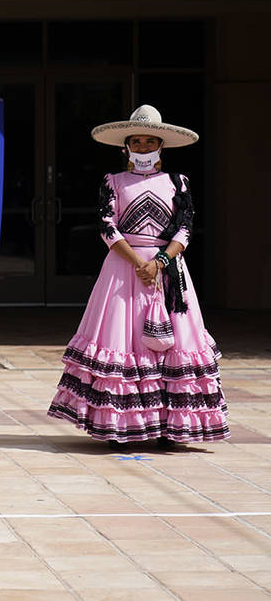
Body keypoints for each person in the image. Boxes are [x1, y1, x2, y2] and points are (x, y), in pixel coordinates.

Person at [48, 105, 228, 449]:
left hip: (169, 271)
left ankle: (169, 427)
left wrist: (160, 261)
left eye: (150, 141)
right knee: (124, 340)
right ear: (126, 147)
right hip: (123, 269)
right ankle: (123, 425)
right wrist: (137, 262)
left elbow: (187, 226)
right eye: (137, 141)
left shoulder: (178, 182)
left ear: (161, 146)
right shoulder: (112, 182)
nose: (143, 146)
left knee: (174, 343)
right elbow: (106, 226)